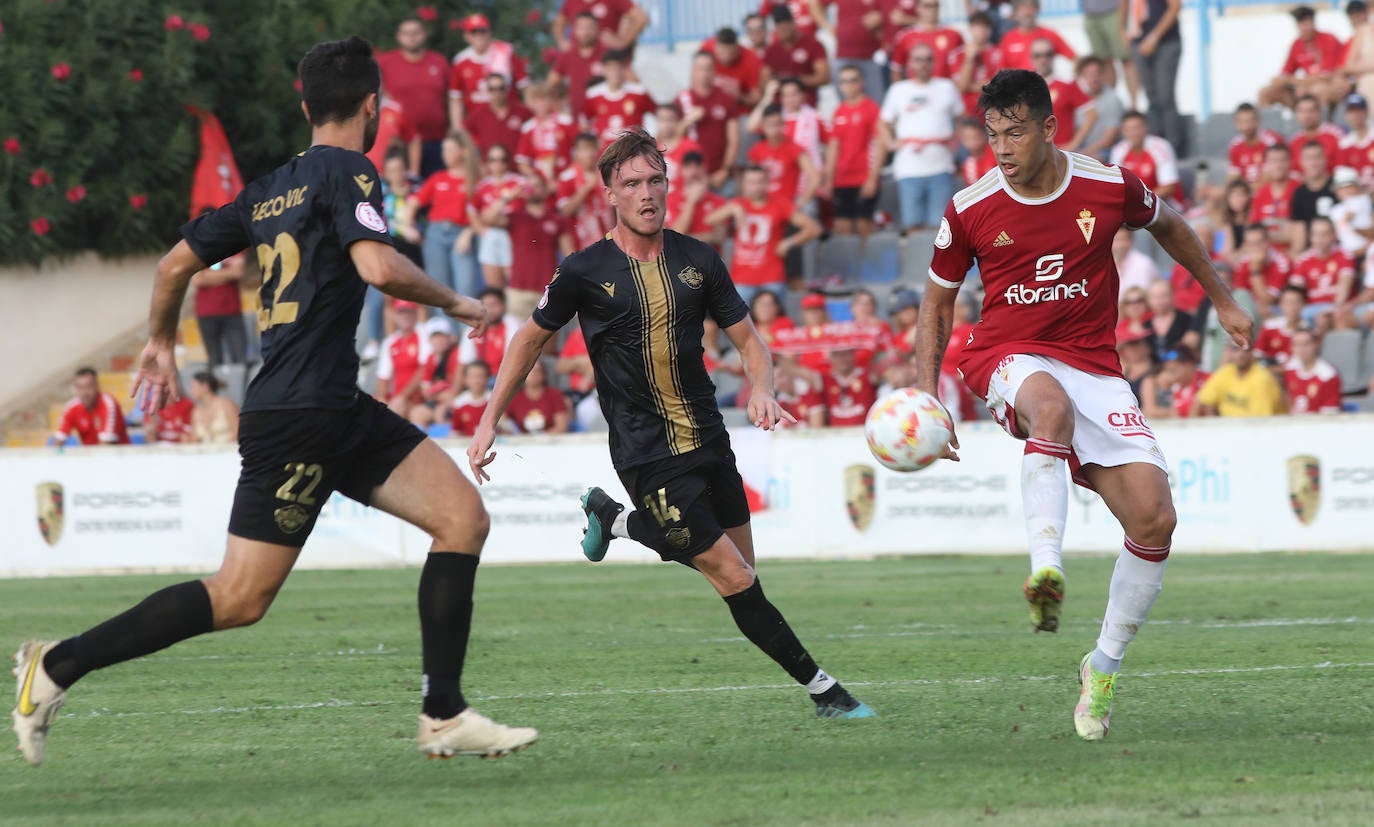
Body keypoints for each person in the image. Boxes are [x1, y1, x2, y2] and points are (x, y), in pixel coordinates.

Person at [11, 36, 535, 767]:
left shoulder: (267, 188)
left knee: (460, 517)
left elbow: (173, 265)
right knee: (238, 596)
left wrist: (161, 340)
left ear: (303, 105)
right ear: (372, 107)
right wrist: (456, 301)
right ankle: (57, 663)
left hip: (325, 407)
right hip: (302, 418)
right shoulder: (352, 169)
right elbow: (377, 264)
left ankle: (443, 712)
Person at [466, 128, 875, 720]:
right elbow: (528, 340)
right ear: (609, 193)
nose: (646, 193)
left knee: (743, 573)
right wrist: (487, 423)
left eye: (655, 180)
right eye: (631, 183)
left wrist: (762, 387)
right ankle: (826, 692)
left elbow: (749, 341)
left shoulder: (698, 259)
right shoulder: (583, 270)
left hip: (709, 437)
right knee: (731, 574)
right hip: (646, 452)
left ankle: (618, 521)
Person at [915, 70, 1253, 741]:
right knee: (1050, 410)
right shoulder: (971, 206)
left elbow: (1172, 224)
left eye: (1015, 131)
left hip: (1094, 365)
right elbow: (937, 302)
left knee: (1156, 518)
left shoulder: (1105, 183)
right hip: (1007, 354)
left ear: (1048, 128)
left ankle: (1101, 666)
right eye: (992, 134)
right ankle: (1046, 566)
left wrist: (1220, 295)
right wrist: (930, 394)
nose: (1003, 147)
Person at [880, 43, 964, 233]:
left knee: (942, 228)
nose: (923, 64)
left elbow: (960, 118)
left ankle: (937, 264)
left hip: (941, 165)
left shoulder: (947, 87)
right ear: (909, 63)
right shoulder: (898, 90)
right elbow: (883, 123)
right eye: (918, 59)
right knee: (912, 226)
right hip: (909, 168)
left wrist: (955, 142)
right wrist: (891, 143)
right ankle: (919, 264)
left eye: (928, 59)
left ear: (934, 63)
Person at [706, 165, 823, 300]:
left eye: (760, 181)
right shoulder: (738, 203)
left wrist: (789, 242)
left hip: (772, 277)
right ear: (744, 184)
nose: (755, 187)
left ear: (767, 182)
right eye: (751, 182)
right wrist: (734, 209)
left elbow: (814, 228)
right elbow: (710, 220)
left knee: (772, 320)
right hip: (741, 278)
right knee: (736, 320)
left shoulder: (780, 204)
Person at [375, 18, 452, 178]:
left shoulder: (439, 62)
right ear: (399, 37)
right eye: (407, 33)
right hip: (400, 144)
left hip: (435, 140)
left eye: (416, 33)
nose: (412, 37)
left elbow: (450, 99)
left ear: (424, 35)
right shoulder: (386, 62)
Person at [412, 130, 481, 300]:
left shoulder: (475, 180)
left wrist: (469, 231)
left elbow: (482, 212)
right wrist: (408, 226)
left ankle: (465, 327)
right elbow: (413, 202)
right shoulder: (437, 178)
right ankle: (444, 327)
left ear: (463, 152)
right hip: (435, 233)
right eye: (444, 150)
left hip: (461, 232)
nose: (445, 154)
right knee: (438, 286)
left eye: (450, 150)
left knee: (466, 286)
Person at [825, 64, 884, 241]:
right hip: (842, 179)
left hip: (863, 177)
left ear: (862, 83)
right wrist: (829, 180)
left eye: (853, 80)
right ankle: (847, 269)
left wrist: (872, 178)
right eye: (844, 81)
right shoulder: (839, 111)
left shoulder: (871, 109)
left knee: (863, 226)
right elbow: (833, 147)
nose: (848, 86)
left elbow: (879, 144)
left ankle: (867, 268)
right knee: (842, 227)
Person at [1261, 6, 1347, 111]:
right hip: (1305, 87)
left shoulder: (1328, 39)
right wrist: (1279, 81)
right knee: (1266, 92)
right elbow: (1285, 73)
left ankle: (1322, 125)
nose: (1304, 27)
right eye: (1300, 23)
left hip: (1331, 86)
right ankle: (1270, 126)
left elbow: (1325, 76)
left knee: (1317, 89)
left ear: (1313, 22)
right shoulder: (1296, 45)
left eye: (1306, 22)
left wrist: (1297, 82)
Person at [448, 14, 529, 126]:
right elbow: (456, 99)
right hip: (478, 126)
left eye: (483, 31)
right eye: (474, 32)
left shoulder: (505, 52)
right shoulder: (461, 61)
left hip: (508, 123)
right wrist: (457, 128)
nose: (479, 35)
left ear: (489, 32)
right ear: (466, 36)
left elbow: (525, 88)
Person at [676, 52, 741, 188]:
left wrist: (725, 170)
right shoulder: (682, 100)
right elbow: (672, 139)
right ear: (693, 70)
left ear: (714, 71)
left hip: (720, 176)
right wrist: (688, 121)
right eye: (700, 68)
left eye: (708, 68)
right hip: (690, 178)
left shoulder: (726, 99)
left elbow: (734, 139)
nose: (704, 73)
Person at [1128, 0, 1183, 154]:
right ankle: (1154, 147)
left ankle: (1172, 149)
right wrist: (1122, 30)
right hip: (1139, 40)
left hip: (1165, 42)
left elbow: (1175, 7)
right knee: (1151, 97)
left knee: (1165, 96)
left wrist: (1154, 37)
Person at [1290, 215, 1355, 331]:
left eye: (1324, 234)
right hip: (1309, 309)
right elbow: (1295, 291)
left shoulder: (1344, 255)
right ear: (1310, 237)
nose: (1319, 239)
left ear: (1334, 235)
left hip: (1336, 307)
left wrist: (1334, 308)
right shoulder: (1303, 260)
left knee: (1325, 318)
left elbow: (1344, 287)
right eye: (1316, 235)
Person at [1032, 40, 1096, 153]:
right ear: (1032, 58)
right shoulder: (1026, 86)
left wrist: (1073, 144)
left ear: (1054, 56)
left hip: (1060, 152)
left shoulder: (1067, 83)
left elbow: (1092, 114)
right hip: (1035, 151)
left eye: (1048, 54)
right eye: (1038, 55)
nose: (1043, 59)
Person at [581, 50, 655, 146]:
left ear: (624, 69)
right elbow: (584, 123)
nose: (614, 73)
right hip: (605, 153)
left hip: (632, 150)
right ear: (604, 70)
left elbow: (655, 116)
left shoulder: (639, 92)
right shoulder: (593, 94)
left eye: (617, 68)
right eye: (610, 69)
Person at [1192, 340, 1282, 416]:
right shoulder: (1225, 372)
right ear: (1229, 352)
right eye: (1235, 349)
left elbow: (1260, 421)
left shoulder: (1262, 378)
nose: (1241, 354)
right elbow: (1202, 401)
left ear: (1252, 353)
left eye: (1245, 350)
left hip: (1254, 431)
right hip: (1228, 429)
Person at [762, 6, 830, 106]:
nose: (783, 32)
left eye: (785, 28)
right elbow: (764, 81)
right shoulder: (771, 49)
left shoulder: (813, 44)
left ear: (793, 23)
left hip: (806, 104)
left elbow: (824, 77)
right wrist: (776, 83)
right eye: (779, 28)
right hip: (778, 105)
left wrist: (796, 80)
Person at [192, 250, 249, 368]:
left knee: (240, 360)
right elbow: (198, 279)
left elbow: (237, 273)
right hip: (206, 312)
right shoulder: (199, 248)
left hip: (232, 311)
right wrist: (228, 273)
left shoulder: (235, 246)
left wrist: (207, 276)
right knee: (214, 361)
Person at [50, 367, 131, 446]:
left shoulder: (108, 404)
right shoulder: (71, 407)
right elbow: (59, 441)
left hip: (119, 457)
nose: (84, 392)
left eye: (88, 386)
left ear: (97, 386)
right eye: (80, 387)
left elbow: (106, 446)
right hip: (90, 456)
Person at [547, 12, 607, 117]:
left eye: (590, 28)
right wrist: (558, 107)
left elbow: (628, 79)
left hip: (602, 116)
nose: (585, 32)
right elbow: (551, 83)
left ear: (597, 30)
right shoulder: (568, 55)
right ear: (574, 30)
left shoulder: (607, 54)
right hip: (576, 117)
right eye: (581, 28)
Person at [1109, 111, 1178, 203]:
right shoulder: (1118, 150)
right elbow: (1116, 186)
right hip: (1135, 206)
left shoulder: (1161, 146)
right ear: (1123, 131)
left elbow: (1168, 187)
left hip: (1164, 205)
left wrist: (1140, 202)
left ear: (1146, 127)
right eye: (1129, 129)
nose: (1134, 133)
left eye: (1137, 128)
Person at [463, 74, 534, 158]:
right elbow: (463, 135)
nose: (497, 93)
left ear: (507, 89)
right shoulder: (478, 114)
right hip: (489, 168)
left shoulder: (522, 112)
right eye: (492, 89)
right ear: (487, 90)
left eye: (501, 88)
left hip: (517, 168)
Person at [1080, 0, 1137, 104]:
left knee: (1126, 59)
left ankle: (1134, 105)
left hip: (1113, 11)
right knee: (1103, 62)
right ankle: (1109, 102)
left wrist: (1123, 21)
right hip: (1090, 14)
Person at [1288, 140, 1338, 253]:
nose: (1313, 163)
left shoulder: (1338, 188)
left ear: (1325, 159)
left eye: (1317, 157)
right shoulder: (1299, 194)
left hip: (1339, 251)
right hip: (1311, 254)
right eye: (1308, 158)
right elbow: (1299, 236)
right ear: (1301, 162)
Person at [997, 0, 1074, 71]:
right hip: (1017, 85)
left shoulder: (1050, 34)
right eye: (1023, 8)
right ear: (1015, 12)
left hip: (1043, 83)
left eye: (1032, 7)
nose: (1028, 12)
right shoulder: (1007, 38)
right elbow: (1001, 70)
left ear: (1037, 10)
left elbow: (1074, 59)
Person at [551, 0, 649, 53]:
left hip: (606, 63)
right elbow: (558, 24)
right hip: (578, 60)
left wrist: (623, 42)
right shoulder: (571, 2)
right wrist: (562, 41)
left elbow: (641, 18)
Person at [1283, 328, 1344, 413]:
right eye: (1297, 344)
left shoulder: (1328, 375)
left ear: (1315, 345)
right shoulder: (1290, 368)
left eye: (1306, 344)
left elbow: (1330, 416)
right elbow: (1289, 401)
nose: (1301, 349)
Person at [503, 359, 571, 434]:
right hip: (521, 443)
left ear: (544, 374)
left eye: (537, 371)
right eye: (529, 371)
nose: (533, 374)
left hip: (550, 442)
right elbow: (502, 421)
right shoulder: (514, 398)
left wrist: (540, 438)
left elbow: (561, 427)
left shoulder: (554, 395)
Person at [1076, 56, 1124, 161]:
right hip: (1080, 149)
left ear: (1103, 75)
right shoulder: (1075, 97)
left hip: (1106, 150)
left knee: (1091, 161)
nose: (1094, 78)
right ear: (1081, 76)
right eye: (1088, 74)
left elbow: (1108, 140)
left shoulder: (1112, 99)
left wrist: (1081, 154)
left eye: (1097, 73)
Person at [1227, 103, 1284, 186]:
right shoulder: (1235, 146)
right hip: (1245, 195)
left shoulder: (1271, 142)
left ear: (1258, 121)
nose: (1246, 126)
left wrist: (1241, 192)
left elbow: (1266, 182)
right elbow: (1232, 180)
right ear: (1236, 123)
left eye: (1249, 121)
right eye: (1242, 122)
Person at [1254, 283, 1307, 365]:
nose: (1292, 307)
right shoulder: (1269, 325)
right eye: (1288, 302)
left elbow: (1297, 365)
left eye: (1296, 302)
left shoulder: (1306, 331)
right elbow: (1257, 354)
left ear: (1304, 304)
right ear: (1280, 305)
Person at [188, 370, 239, 444]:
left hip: (229, 453)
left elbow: (238, 433)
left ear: (205, 386)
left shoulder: (227, 405)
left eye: (194, 387)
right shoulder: (196, 412)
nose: (191, 391)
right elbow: (194, 439)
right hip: (205, 454)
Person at [1112, 226, 1160, 296]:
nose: (1120, 244)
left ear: (1131, 240)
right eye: (1117, 240)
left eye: (1124, 239)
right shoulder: (1104, 265)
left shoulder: (1145, 264)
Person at [449, 360, 493, 437]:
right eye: (472, 377)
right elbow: (456, 430)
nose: (476, 381)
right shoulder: (459, 402)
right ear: (466, 379)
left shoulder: (494, 400)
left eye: (480, 376)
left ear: (487, 378)